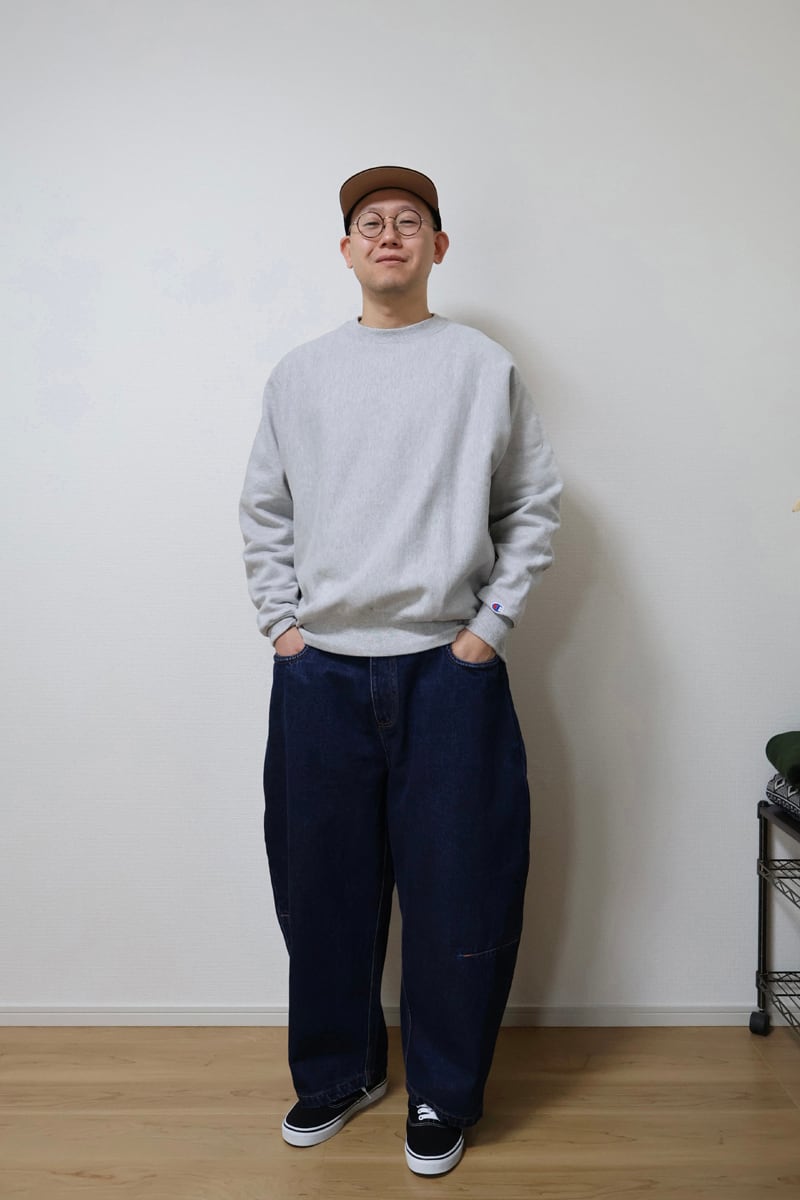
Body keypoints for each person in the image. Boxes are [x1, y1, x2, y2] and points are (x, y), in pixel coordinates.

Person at [239, 165, 562, 1177]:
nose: (389, 234)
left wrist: (487, 631)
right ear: (346, 250)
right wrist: (281, 627)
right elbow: (264, 510)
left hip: (448, 671)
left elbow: (533, 503)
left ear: (437, 246)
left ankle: (443, 1093)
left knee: (461, 889)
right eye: (370, 222)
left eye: (409, 221)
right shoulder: (301, 375)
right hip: (320, 672)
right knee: (320, 891)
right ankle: (339, 1073)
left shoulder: (481, 367)